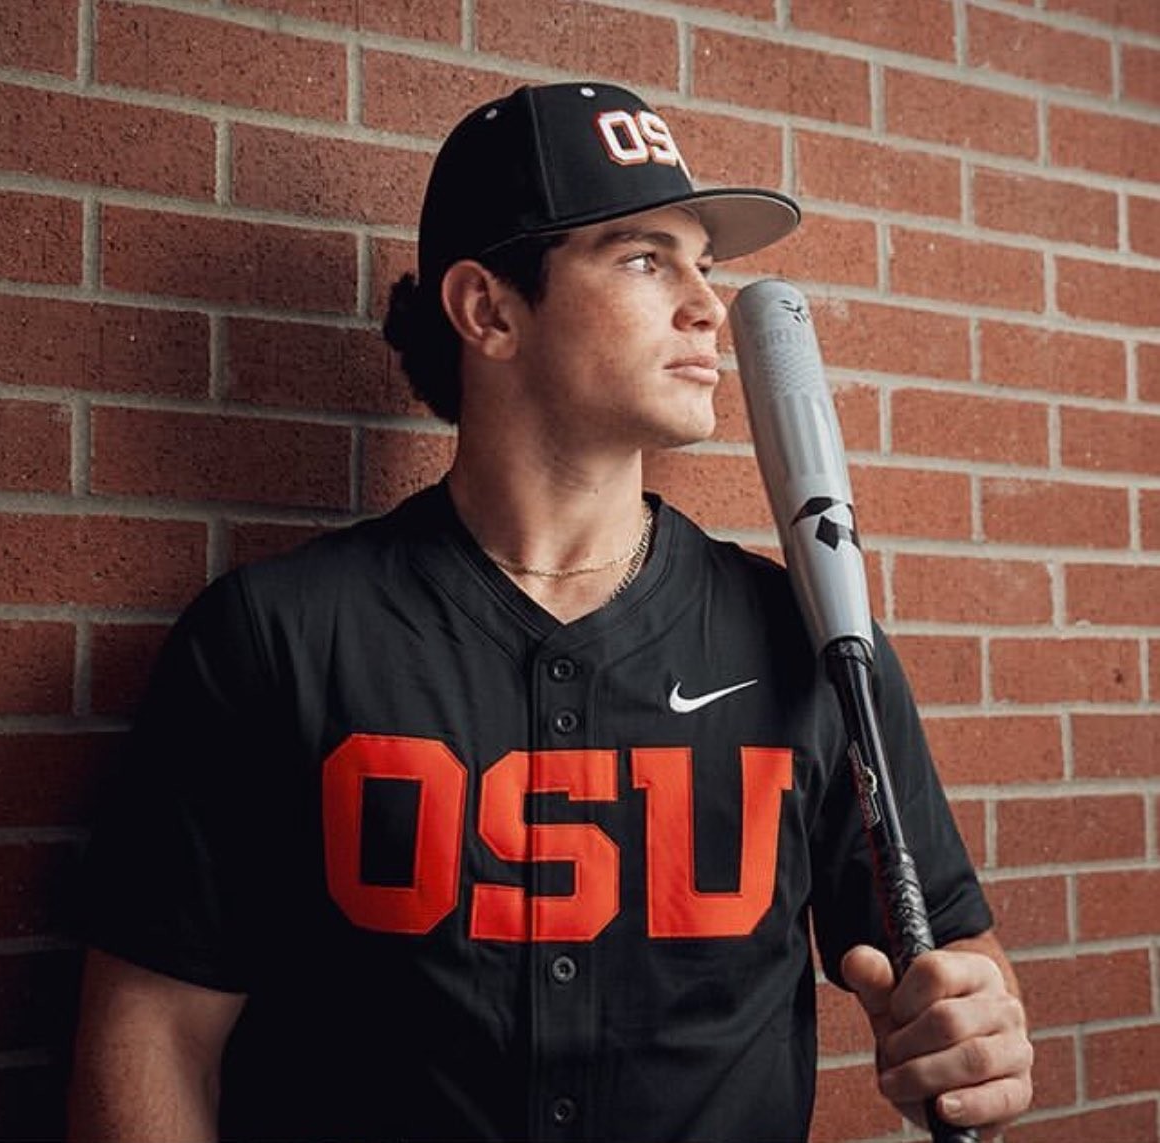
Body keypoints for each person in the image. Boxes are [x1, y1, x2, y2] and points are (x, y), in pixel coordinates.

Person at [67, 82, 1032, 1142]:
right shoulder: (274, 636)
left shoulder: (810, 640)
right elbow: (154, 1033)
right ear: (489, 310)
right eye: (644, 259)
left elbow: (956, 955)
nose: (708, 308)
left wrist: (974, 1034)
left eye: (704, 266)